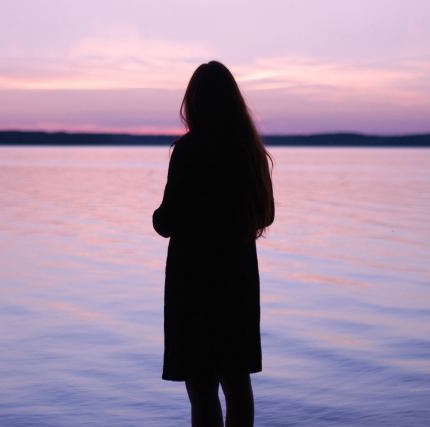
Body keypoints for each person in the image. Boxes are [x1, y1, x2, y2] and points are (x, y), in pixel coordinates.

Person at [152, 60, 275, 427]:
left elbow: (167, 221)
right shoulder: (249, 152)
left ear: (195, 103)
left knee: (202, 386)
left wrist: (159, 216)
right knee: (237, 382)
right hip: (237, 279)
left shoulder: (190, 152)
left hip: (194, 282)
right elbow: (265, 216)